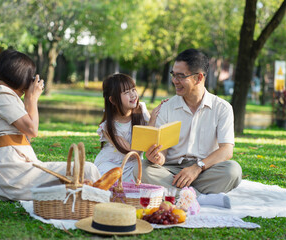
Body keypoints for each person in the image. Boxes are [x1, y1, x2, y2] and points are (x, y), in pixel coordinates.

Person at [0, 49, 100, 201]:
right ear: (20, 76)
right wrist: (32, 98)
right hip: (11, 174)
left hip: (15, 172)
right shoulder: (0, 94)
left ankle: (89, 196)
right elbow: (32, 129)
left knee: (82, 174)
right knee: (87, 170)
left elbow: (27, 134)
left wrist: (28, 98)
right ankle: (104, 202)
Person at [134, 49, 242, 208]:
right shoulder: (167, 108)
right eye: (173, 74)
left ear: (199, 77)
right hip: (170, 172)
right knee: (142, 169)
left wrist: (197, 168)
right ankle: (200, 198)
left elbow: (226, 150)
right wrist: (157, 158)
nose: (174, 81)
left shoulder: (222, 108)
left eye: (181, 76)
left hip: (204, 170)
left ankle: (176, 193)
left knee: (233, 171)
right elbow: (162, 153)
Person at [94, 73, 164, 182]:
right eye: (126, 92)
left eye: (133, 89)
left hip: (136, 165)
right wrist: (152, 121)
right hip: (113, 165)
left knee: (152, 173)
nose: (133, 95)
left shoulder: (141, 109)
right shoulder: (109, 127)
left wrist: (163, 110)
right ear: (113, 100)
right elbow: (132, 153)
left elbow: (153, 136)